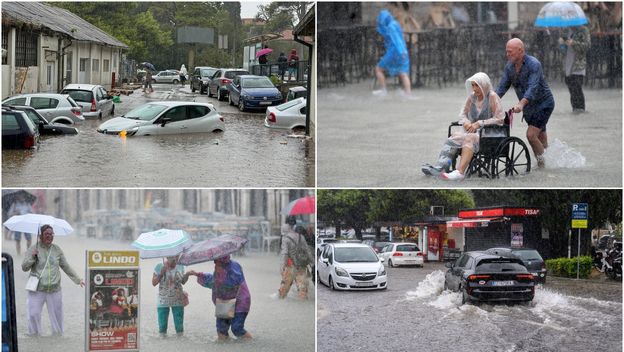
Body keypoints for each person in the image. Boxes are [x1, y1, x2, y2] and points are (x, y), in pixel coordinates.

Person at [422, 72, 505, 180]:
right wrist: (466, 122)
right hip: (474, 132)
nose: (475, 89)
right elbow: (462, 114)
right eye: (473, 85)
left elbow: (500, 119)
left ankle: (460, 172)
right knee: (454, 136)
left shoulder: (492, 96)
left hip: (490, 134)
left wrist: (480, 123)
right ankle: (441, 167)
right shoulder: (472, 97)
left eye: (477, 85)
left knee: (469, 138)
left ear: (484, 85)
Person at [496, 38, 555, 169]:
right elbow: (501, 88)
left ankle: (542, 166)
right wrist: (489, 101)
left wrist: (521, 104)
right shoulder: (509, 67)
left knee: (531, 135)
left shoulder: (534, 64)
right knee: (541, 138)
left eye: (510, 52)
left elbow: (532, 88)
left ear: (520, 51)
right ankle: (551, 164)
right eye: (506, 52)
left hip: (543, 104)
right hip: (529, 108)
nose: (507, 55)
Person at [21, 224, 85, 336]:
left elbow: (66, 266)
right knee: (33, 314)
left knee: (57, 317)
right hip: (37, 289)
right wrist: (32, 257)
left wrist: (78, 280)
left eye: (51, 234)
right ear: (40, 235)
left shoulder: (57, 250)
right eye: (46, 234)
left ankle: (57, 338)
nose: (49, 236)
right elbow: (24, 267)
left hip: (54, 289)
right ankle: (35, 336)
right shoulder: (33, 248)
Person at [188, 255, 252, 342]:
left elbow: (234, 283)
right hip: (224, 300)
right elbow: (213, 282)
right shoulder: (218, 267)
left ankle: (251, 344)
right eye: (214, 260)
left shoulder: (234, 266)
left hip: (240, 301)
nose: (214, 262)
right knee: (221, 330)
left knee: (237, 328)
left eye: (216, 260)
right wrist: (197, 274)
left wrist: (222, 274)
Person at [373, 10, 412, 97]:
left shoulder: (390, 27)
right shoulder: (395, 23)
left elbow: (395, 41)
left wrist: (398, 51)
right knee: (403, 73)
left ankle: (383, 90)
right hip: (404, 52)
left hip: (394, 52)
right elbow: (400, 38)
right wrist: (403, 52)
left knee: (378, 69)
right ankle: (408, 94)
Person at [152, 256, 191, 337]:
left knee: (179, 328)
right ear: (167, 257)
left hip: (177, 299)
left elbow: (183, 282)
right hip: (163, 300)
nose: (175, 261)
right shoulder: (159, 266)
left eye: (177, 258)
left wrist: (187, 274)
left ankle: (179, 345)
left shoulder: (180, 266)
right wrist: (161, 274)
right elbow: (154, 283)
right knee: (162, 328)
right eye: (173, 259)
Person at [278, 217, 313, 299]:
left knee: (283, 291)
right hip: (301, 265)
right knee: (302, 290)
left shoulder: (285, 239)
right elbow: (307, 251)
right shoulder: (301, 237)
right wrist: (313, 263)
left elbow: (285, 253)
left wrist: (282, 266)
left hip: (290, 266)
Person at [559, 25, 590, 113]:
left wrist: (574, 43)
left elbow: (587, 46)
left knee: (577, 88)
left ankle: (581, 110)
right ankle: (575, 110)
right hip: (567, 65)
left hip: (578, 65)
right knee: (571, 90)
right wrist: (561, 44)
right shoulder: (565, 30)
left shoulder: (583, 30)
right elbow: (562, 50)